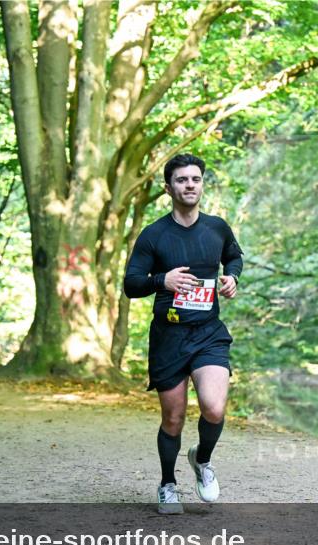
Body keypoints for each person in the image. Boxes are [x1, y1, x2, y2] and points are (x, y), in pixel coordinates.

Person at [123, 154, 243, 515]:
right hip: (169, 337)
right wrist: (163, 280)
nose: (190, 185)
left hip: (208, 333)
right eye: (181, 180)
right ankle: (167, 484)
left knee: (214, 406)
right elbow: (131, 285)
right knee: (173, 418)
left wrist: (232, 277)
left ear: (202, 184)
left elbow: (234, 256)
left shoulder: (217, 228)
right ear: (168, 187)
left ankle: (202, 460)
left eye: (196, 179)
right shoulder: (154, 235)